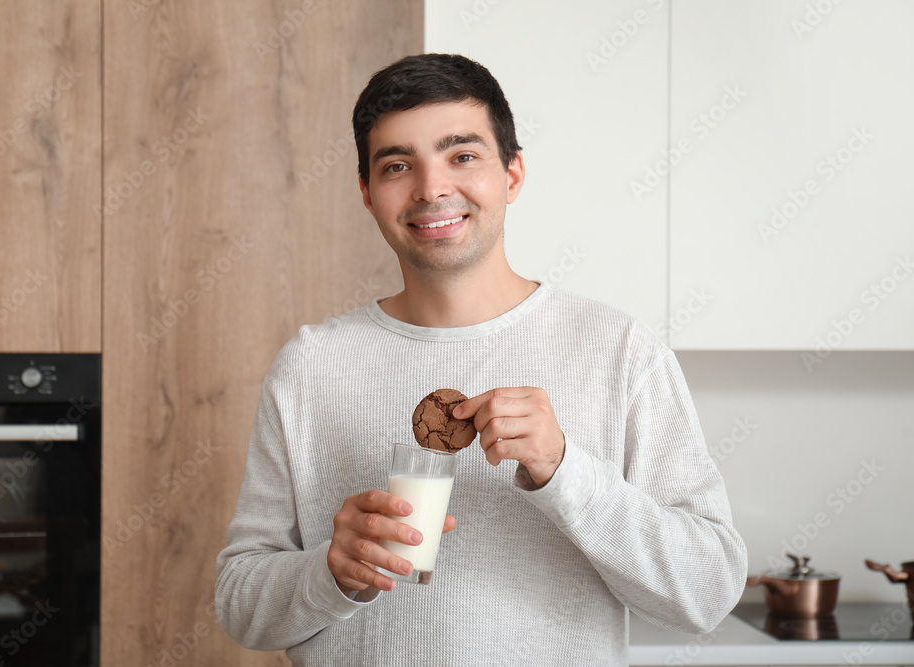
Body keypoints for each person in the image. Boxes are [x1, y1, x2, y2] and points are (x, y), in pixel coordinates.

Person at [216, 53, 747, 666]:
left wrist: (564, 469)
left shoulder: (618, 350)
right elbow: (240, 603)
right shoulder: (311, 366)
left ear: (513, 174)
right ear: (367, 194)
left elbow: (708, 594)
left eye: (462, 155)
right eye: (397, 165)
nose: (432, 188)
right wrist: (330, 574)